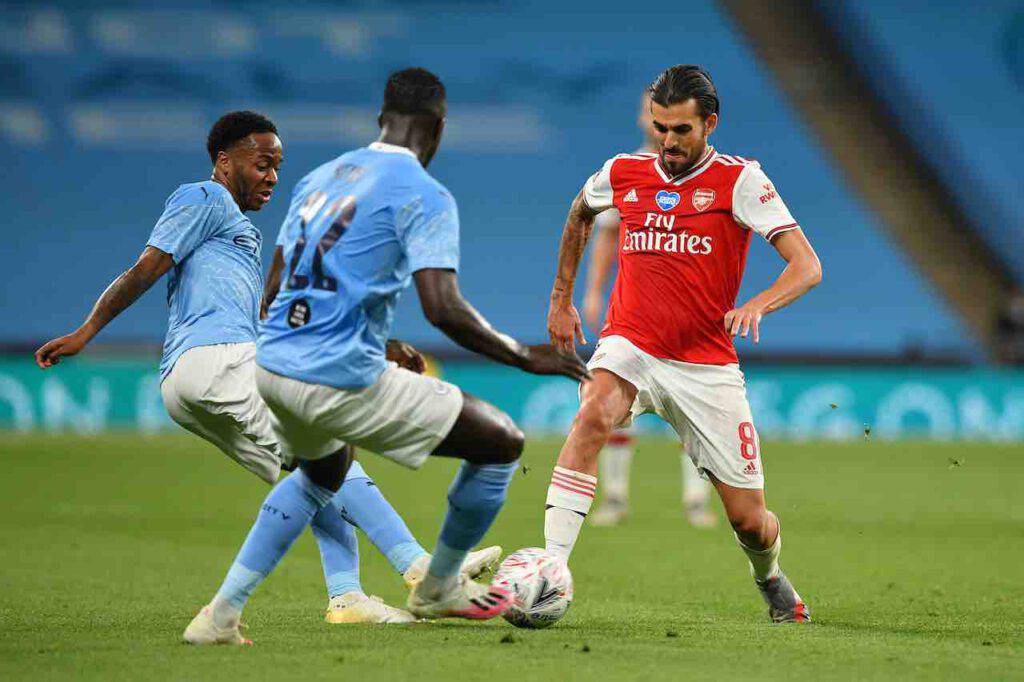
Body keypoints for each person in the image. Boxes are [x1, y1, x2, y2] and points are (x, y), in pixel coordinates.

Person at [33, 110, 498, 628]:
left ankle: (346, 598)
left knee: (314, 473)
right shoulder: (202, 198)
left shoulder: (236, 234)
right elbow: (147, 268)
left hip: (190, 380)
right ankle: (422, 569)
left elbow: (272, 316)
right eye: (262, 164)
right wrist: (87, 331)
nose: (272, 177)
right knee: (331, 450)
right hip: (216, 358)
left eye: (278, 166)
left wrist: (379, 344)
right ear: (224, 161)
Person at [183, 68, 589, 644]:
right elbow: (443, 308)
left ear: (381, 120)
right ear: (439, 127)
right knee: (501, 444)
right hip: (334, 374)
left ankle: (220, 615)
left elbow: (275, 290)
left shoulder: (321, 179)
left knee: (322, 475)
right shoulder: (424, 194)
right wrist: (526, 355)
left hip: (271, 366)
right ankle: (438, 584)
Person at [544, 65, 822, 623]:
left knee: (749, 520)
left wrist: (756, 305)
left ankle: (768, 575)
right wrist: (561, 297)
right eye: (660, 128)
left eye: (681, 131)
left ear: (710, 124)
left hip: (705, 365)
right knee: (593, 413)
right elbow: (580, 212)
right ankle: (549, 575)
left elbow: (807, 266)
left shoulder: (741, 181)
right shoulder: (623, 171)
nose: (667, 142)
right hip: (632, 343)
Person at [582, 92, 715, 528]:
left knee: (694, 410)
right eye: (648, 111)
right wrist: (593, 291)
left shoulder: (711, 171)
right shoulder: (627, 170)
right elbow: (605, 234)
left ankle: (697, 500)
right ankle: (616, 499)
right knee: (614, 407)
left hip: (690, 315)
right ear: (645, 118)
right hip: (634, 312)